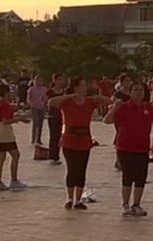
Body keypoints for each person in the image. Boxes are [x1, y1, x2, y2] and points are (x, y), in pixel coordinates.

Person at [48, 77, 113, 209]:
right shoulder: (67, 102)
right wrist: (70, 95)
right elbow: (51, 102)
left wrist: (96, 96)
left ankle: (78, 200)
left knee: (81, 170)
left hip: (84, 139)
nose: (84, 88)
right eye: (82, 86)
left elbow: (108, 101)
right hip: (69, 139)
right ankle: (69, 198)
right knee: (72, 169)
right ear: (76, 87)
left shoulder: (89, 101)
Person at [103, 82, 153, 216]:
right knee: (128, 176)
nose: (139, 93)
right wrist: (114, 108)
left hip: (142, 148)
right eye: (136, 90)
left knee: (141, 176)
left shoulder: (148, 107)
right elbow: (107, 120)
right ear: (130, 93)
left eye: (141, 90)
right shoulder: (124, 107)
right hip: (125, 147)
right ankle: (125, 204)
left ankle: (136, 204)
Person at [0, 83, 30, 190]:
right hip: (5, 133)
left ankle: (0, 181)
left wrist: (19, 118)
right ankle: (14, 180)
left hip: (1, 132)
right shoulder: (4, 104)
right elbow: (5, 121)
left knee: (1, 158)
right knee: (15, 155)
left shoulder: (2, 103)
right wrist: (19, 119)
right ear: (6, 93)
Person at [45, 73, 67, 165]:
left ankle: (57, 154)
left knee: (60, 136)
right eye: (60, 80)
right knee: (53, 136)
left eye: (62, 80)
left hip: (62, 115)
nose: (61, 82)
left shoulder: (64, 92)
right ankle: (53, 156)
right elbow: (46, 102)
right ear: (55, 80)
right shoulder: (49, 92)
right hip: (53, 115)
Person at [26, 75, 47, 146]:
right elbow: (28, 98)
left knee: (41, 123)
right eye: (37, 80)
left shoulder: (44, 89)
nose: (39, 82)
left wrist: (45, 101)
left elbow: (46, 98)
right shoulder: (31, 89)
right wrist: (30, 103)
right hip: (34, 107)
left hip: (42, 107)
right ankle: (33, 138)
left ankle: (38, 139)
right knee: (36, 122)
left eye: (41, 80)